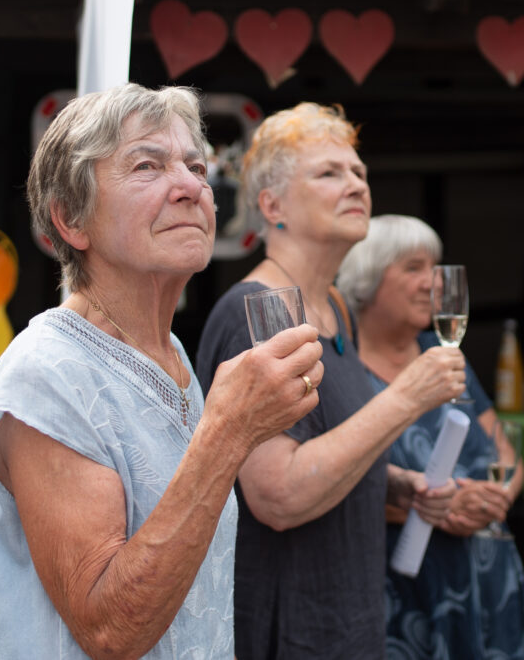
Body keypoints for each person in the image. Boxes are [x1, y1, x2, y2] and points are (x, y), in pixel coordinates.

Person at [0, 84, 325, 659]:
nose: (191, 187)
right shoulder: (49, 372)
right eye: (146, 166)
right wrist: (230, 431)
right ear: (70, 219)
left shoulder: (173, 356)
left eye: (196, 166)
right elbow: (111, 630)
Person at [195, 104, 465, 659]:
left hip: (345, 622)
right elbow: (278, 496)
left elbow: (320, 443)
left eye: (359, 173)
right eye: (329, 173)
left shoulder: (336, 308)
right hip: (285, 631)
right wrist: (406, 398)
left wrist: (393, 483)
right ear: (273, 207)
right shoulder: (255, 311)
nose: (356, 184)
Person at [337, 213, 524, 660]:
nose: (432, 282)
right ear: (368, 278)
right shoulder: (342, 370)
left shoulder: (445, 354)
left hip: (488, 577)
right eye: (413, 268)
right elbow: (337, 480)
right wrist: (441, 509)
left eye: (435, 268)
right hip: (403, 587)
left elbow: (507, 456)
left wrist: (489, 500)